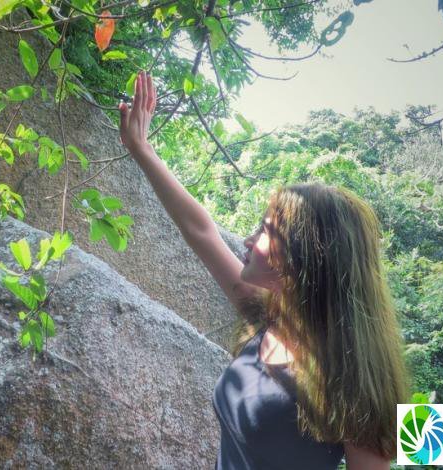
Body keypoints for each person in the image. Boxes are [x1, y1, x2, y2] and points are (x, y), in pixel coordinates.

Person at [118, 71, 410, 469]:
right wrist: (142, 150)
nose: (247, 240)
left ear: (302, 259)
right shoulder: (269, 317)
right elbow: (200, 230)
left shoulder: (352, 379)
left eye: (265, 231)